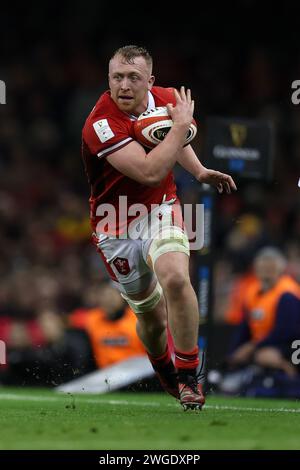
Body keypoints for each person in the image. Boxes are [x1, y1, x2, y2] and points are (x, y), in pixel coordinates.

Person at [82, 45, 237, 410]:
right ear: (108, 79)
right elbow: (151, 169)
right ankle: (162, 365)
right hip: (114, 224)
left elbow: (172, 141)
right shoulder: (100, 124)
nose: (123, 85)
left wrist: (197, 170)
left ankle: (187, 375)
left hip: (159, 209)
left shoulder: (166, 99)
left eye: (133, 77)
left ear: (149, 81)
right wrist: (181, 126)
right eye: (117, 77)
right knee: (151, 320)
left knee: (176, 277)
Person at [227, 247, 300, 378]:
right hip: (261, 344)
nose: (266, 272)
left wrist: (252, 347)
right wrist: (234, 352)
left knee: (265, 356)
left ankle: (290, 374)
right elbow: (245, 327)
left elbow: (286, 332)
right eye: (263, 268)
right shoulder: (252, 293)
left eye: (270, 268)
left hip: (290, 346)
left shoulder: (287, 294)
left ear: (280, 270)